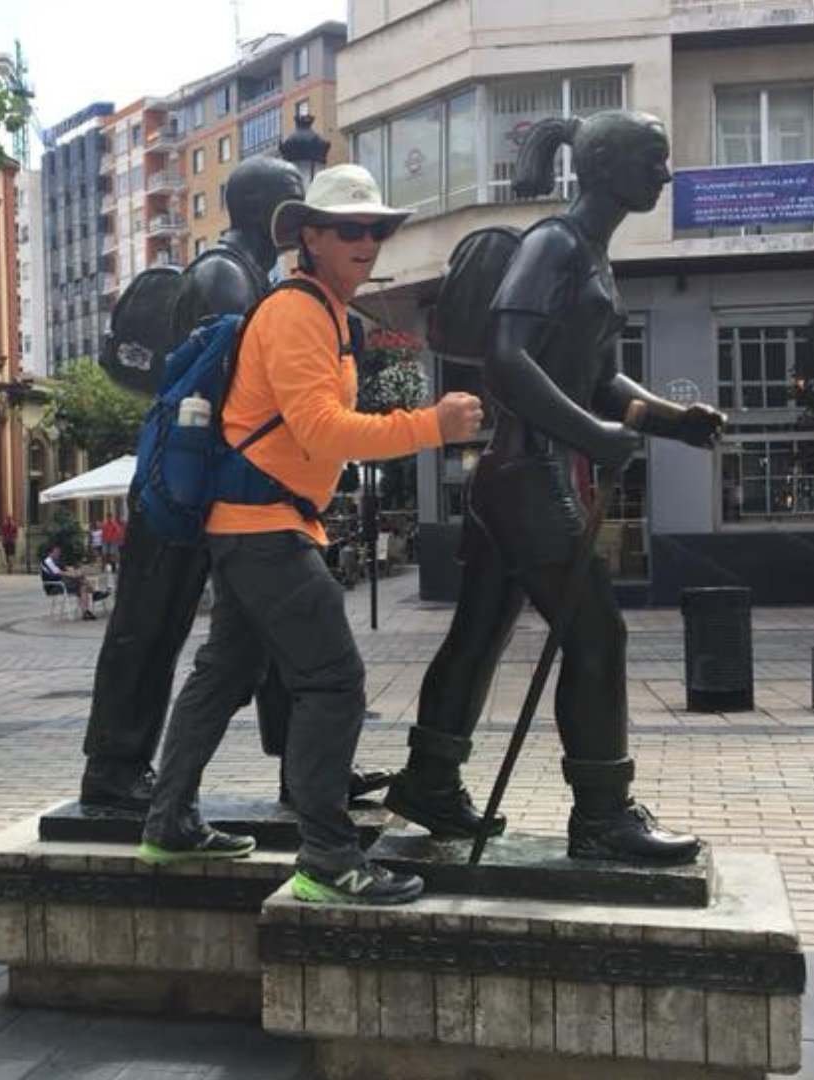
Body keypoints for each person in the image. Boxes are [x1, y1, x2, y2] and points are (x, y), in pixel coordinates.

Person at [140, 163, 485, 906]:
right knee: (333, 681)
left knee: (223, 675)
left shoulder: (326, 312)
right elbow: (321, 429)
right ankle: (328, 857)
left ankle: (168, 820)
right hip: (266, 532)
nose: (369, 242)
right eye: (351, 230)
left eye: (377, 229)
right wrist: (432, 426)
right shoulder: (298, 313)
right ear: (310, 236)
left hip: (256, 527)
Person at [384, 112, 724, 861]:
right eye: (652, 160)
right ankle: (602, 814)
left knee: (478, 634)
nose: (665, 175)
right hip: (529, 471)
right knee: (598, 633)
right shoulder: (553, 244)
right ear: (604, 167)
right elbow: (508, 359)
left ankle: (430, 780)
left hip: (528, 469)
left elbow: (597, 380)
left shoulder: (593, 256)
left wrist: (673, 420)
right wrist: (590, 436)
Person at [83, 156, 390, 810]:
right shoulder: (223, 276)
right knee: (150, 625)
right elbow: (223, 394)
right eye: (296, 200)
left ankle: (306, 774)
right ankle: (113, 768)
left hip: (234, 489)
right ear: (264, 209)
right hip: (187, 487)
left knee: (274, 631)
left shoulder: (262, 278)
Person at [41, 544, 96, 620]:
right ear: (50, 553)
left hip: (63, 583)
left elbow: (67, 568)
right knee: (81, 581)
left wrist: (74, 571)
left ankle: (85, 612)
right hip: (54, 586)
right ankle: (94, 592)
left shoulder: (57, 560)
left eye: (59, 552)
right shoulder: (48, 561)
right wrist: (73, 575)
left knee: (83, 586)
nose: (58, 553)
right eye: (56, 552)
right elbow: (58, 573)